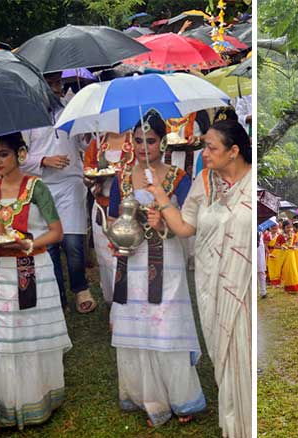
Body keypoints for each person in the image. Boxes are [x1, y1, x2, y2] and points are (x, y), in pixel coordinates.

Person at [148, 117, 253, 436]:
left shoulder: (252, 183)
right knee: (223, 356)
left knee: (244, 355)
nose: (204, 152)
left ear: (233, 151)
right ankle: (234, 423)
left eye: (211, 147)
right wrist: (162, 204)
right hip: (211, 284)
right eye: (204, 146)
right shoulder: (204, 180)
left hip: (245, 287)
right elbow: (185, 228)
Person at [106, 110, 204, 427]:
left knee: (165, 322)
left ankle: (180, 396)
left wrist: (164, 219)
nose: (143, 146)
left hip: (168, 257)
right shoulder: (120, 177)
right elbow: (111, 219)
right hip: (131, 257)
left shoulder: (178, 177)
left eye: (150, 140)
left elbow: (189, 223)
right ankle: (148, 397)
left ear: (162, 143)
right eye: (137, 140)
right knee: (136, 321)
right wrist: (118, 234)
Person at [0, 133, 72, 433]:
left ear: (21, 154)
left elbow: (57, 232)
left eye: (3, 154)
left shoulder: (36, 188)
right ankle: (0, 404)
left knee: (28, 335)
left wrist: (28, 245)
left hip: (34, 269)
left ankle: (34, 400)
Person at [21, 72, 94, 313]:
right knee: (50, 244)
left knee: (73, 240)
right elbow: (20, 158)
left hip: (71, 180)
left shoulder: (71, 110)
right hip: (42, 185)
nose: (55, 88)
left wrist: (86, 132)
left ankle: (80, 288)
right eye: (50, 83)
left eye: (58, 83)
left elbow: (86, 145)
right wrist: (44, 160)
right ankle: (57, 297)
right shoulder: (28, 116)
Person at [83, 131, 135, 304]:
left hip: (126, 208)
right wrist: (92, 184)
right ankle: (111, 301)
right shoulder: (97, 144)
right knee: (105, 256)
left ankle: (130, 299)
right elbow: (87, 172)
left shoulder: (134, 142)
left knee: (126, 255)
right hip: (101, 207)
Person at [277, 220, 298, 293]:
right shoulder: (280, 236)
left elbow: (296, 243)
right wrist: (282, 247)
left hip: (292, 254)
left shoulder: (293, 235)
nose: (289, 229)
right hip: (284, 255)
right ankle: (287, 286)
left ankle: (294, 287)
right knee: (286, 271)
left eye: (290, 227)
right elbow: (276, 245)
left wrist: (295, 246)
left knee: (293, 270)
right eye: (287, 227)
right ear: (283, 228)